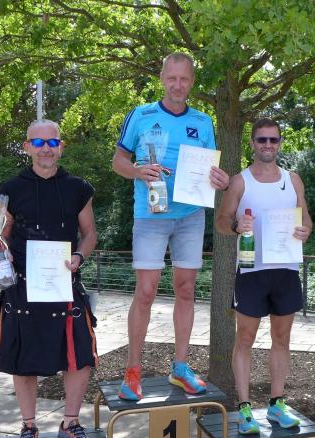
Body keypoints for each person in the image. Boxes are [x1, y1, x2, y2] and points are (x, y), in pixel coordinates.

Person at [112, 52, 230, 400]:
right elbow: (118, 160)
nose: (178, 85)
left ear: (192, 82)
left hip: (190, 216)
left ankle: (180, 367)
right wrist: (137, 171)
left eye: (184, 79)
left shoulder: (203, 122)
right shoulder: (141, 114)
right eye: (172, 78)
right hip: (150, 216)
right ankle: (133, 370)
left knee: (186, 290)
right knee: (146, 292)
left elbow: (211, 170)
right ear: (162, 79)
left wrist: (220, 180)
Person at [0, 119, 99, 438]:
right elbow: (1, 237)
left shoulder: (78, 188)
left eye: (52, 142)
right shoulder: (10, 189)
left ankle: (70, 424)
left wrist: (80, 256)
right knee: (23, 359)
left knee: (79, 356)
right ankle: (28, 427)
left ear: (61, 147)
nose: (46, 149)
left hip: (64, 283)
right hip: (22, 287)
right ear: (27, 147)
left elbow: (90, 234)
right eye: (38, 143)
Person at [215, 118, 312, 434]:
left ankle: (277, 404)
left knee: (281, 339)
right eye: (262, 139)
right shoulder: (239, 181)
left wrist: (305, 230)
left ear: (280, 142)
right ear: (252, 143)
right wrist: (236, 226)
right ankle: (244, 408)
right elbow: (221, 221)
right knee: (245, 339)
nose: (267, 145)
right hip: (251, 271)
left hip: (285, 269)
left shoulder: (293, 180)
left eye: (273, 139)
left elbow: (306, 221)